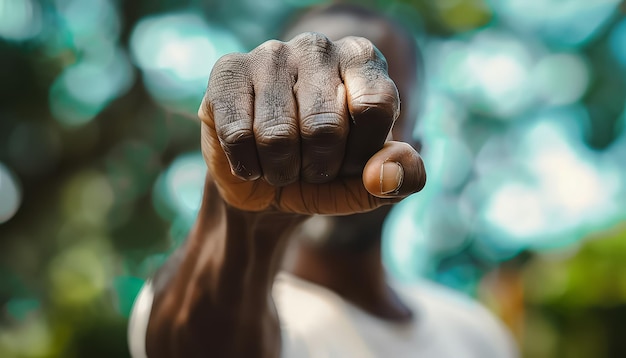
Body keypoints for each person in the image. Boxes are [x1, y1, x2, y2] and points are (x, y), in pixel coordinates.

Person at [128, 4, 519, 358]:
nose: (328, 140)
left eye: (371, 118)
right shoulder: (204, 293)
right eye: (301, 102)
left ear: (417, 148)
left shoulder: (476, 334)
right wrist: (246, 220)